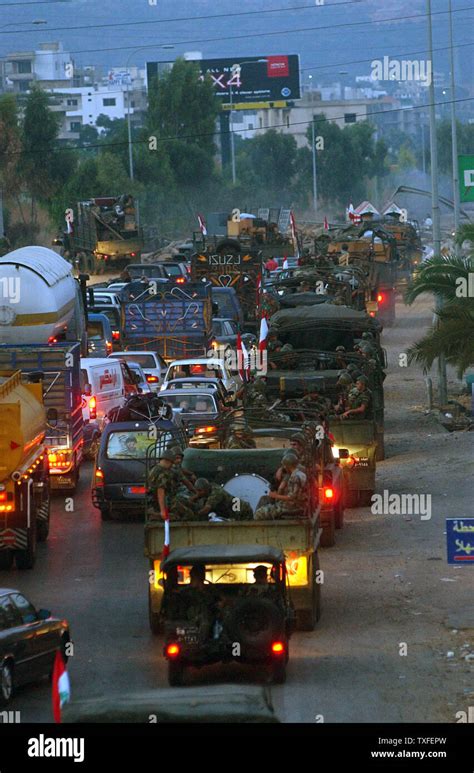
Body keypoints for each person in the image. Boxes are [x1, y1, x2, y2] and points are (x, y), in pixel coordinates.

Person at [254, 453, 308, 520]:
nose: (284, 468)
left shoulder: (295, 477)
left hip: (291, 507)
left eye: (285, 466)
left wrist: (275, 496)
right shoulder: (301, 474)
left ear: (288, 466)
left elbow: (291, 497)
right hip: (298, 505)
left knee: (259, 513)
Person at [148, 449, 195, 521]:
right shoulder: (163, 473)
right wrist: (163, 511)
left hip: (153, 502)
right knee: (189, 514)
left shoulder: (154, 469)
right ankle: (159, 516)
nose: (171, 466)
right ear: (168, 461)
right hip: (165, 501)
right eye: (171, 463)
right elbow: (161, 491)